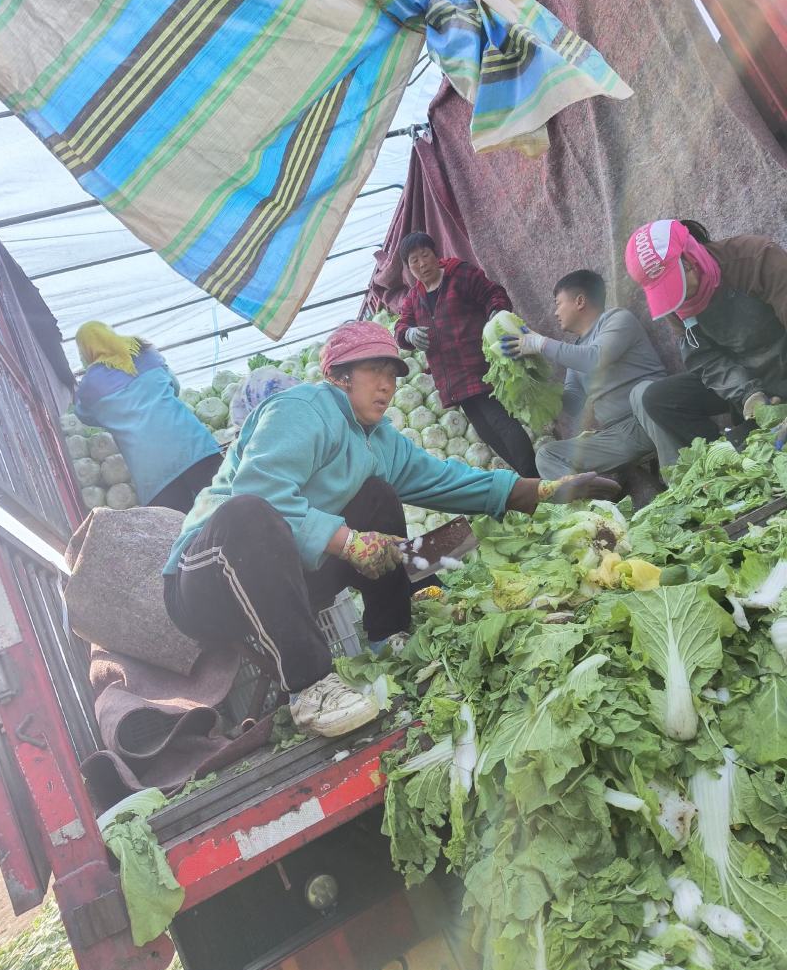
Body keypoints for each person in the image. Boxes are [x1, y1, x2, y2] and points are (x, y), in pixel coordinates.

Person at [162, 321, 620, 739]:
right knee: (249, 512)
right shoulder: (302, 410)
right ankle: (311, 690)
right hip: (207, 578)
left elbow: (446, 480)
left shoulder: (377, 439)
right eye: (375, 372)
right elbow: (260, 492)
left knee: (378, 495)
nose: (387, 386)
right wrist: (348, 541)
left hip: (286, 577)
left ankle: (390, 638)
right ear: (340, 375)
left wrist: (539, 492)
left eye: (393, 376)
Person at [624, 219, 787, 469]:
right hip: (744, 375)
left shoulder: (756, 258)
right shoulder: (674, 303)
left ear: (690, 262)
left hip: (781, 362)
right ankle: (733, 461)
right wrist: (747, 393)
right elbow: (706, 361)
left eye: (676, 286)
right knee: (658, 398)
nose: (677, 301)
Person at [394, 232, 538, 476]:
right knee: (486, 430)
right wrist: (408, 334)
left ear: (435, 254)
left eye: (425, 255)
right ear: (408, 268)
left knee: (500, 421)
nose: (421, 264)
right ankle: (528, 478)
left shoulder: (459, 274)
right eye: (413, 261)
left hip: (479, 365)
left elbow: (494, 294)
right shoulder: (413, 297)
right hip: (451, 377)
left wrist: (496, 314)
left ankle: (534, 479)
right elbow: (401, 326)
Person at [499, 270, 666, 478]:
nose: (555, 312)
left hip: (652, 417)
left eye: (558, 303)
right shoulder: (576, 350)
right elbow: (573, 404)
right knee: (546, 455)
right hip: (619, 436)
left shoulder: (618, 319)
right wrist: (534, 383)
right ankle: (600, 501)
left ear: (579, 301)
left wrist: (539, 343)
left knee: (643, 392)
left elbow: (593, 359)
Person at [74, 322, 222, 513]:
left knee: (181, 531)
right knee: (226, 505)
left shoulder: (90, 386)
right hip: (193, 446)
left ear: (85, 350)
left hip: (152, 473)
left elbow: (86, 416)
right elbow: (174, 387)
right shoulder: (144, 352)